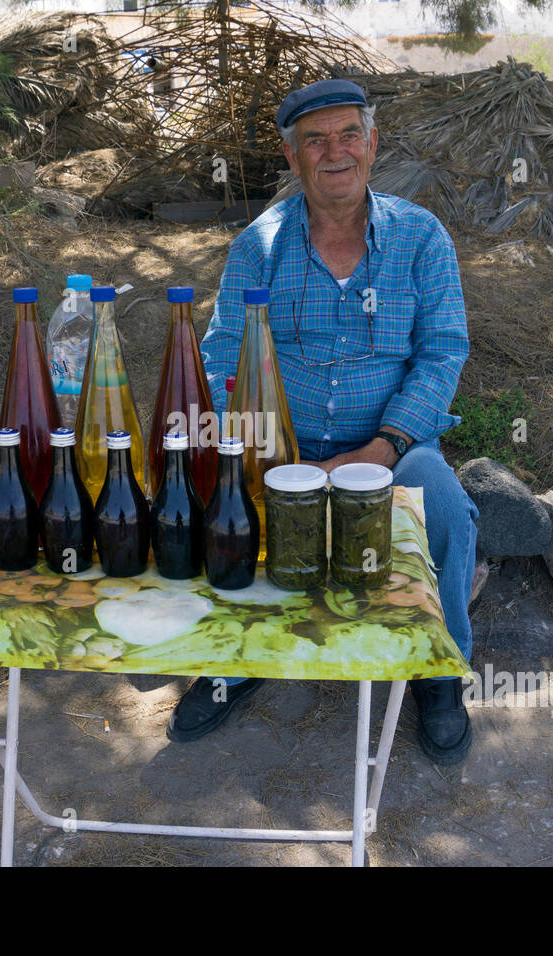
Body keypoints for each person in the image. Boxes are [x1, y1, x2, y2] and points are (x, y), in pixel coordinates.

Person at [166, 79, 480, 765]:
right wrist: (261, 454)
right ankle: (238, 660)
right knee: (228, 508)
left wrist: (382, 446)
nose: (334, 152)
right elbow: (223, 357)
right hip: (285, 445)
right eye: (315, 140)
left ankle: (440, 671)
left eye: (347, 135)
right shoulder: (262, 244)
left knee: (447, 509)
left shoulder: (421, 237)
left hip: (397, 442)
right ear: (291, 154)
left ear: (371, 143)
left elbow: (443, 351)